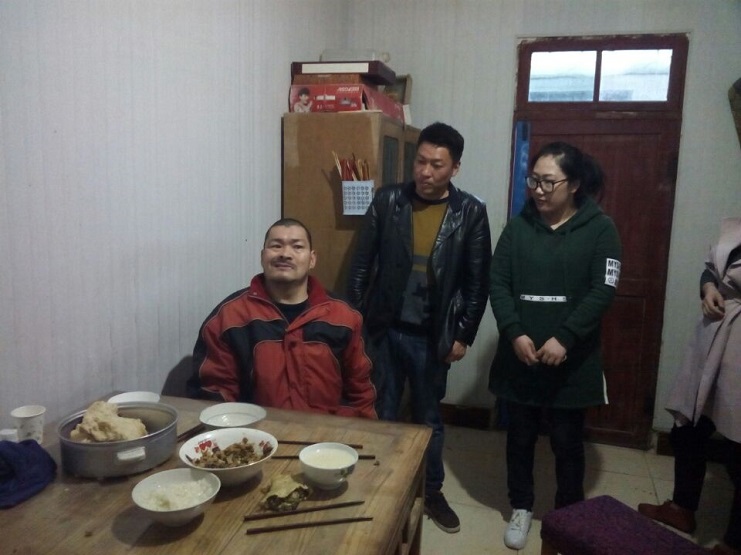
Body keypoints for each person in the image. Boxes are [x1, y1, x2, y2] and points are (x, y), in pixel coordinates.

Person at [347, 122, 492, 533]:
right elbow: (360, 266)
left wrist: (463, 335)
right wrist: (354, 322)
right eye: (420, 161)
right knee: (384, 411)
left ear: (455, 168)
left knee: (429, 418)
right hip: (384, 329)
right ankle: (382, 485)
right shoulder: (388, 200)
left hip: (433, 334)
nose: (425, 172)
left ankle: (431, 491)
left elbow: (477, 283)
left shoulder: (470, 212)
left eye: (437, 165)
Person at [488, 141, 621, 550]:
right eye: (534, 181)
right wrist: (514, 331)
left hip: (572, 361)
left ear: (574, 184)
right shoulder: (518, 227)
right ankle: (521, 506)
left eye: (549, 182)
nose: (539, 190)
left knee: (567, 442)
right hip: (521, 355)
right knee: (520, 437)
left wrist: (565, 337)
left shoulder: (600, 229)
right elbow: (498, 282)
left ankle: (569, 518)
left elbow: (603, 289)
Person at [187, 218, 376, 419]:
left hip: (329, 435)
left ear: (312, 259)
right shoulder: (229, 317)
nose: (285, 254)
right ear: (262, 257)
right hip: (255, 433)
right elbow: (215, 395)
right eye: (276, 246)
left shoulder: (345, 317)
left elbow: (363, 391)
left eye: (297, 247)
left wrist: (348, 431)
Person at [638, 217, 741, 555]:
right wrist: (709, 289)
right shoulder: (736, 228)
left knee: (739, 447)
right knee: (688, 427)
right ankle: (682, 507)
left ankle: (735, 543)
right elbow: (711, 269)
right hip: (715, 336)